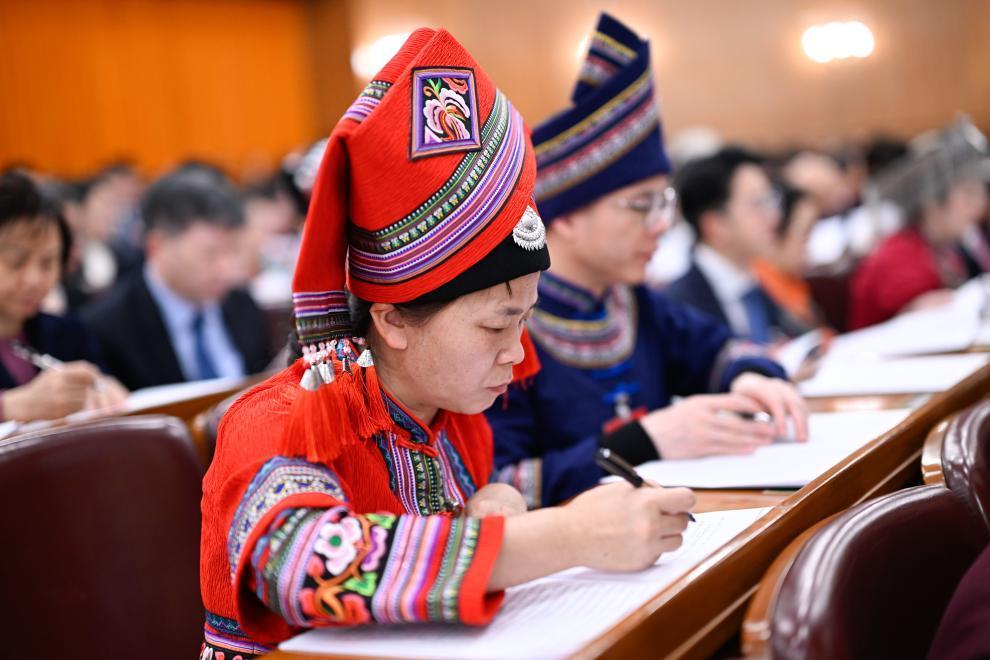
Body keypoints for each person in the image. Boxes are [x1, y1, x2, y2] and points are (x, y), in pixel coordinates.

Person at [199, 28, 697, 658]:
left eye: (525, 321)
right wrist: (564, 537)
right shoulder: (275, 421)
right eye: (494, 325)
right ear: (392, 321)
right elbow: (310, 568)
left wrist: (499, 500)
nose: (518, 354)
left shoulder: (453, 414)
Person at [484, 14, 806, 509]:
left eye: (664, 203)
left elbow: (719, 350)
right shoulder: (505, 328)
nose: (659, 224)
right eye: (641, 205)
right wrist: (643, 441)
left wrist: (750, 376)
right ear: (565, 218)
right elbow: (498, 485)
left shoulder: (633, 301)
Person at [82, 166, 272, 390]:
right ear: (157, 246)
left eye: (233, 250)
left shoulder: (241, 304)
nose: (228, 269)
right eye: (210, 254)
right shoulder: (108, 329)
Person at [0, 171, 126, 421]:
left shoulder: (68, 333)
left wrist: (105, 391)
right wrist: (9, 408)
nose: (34, 279)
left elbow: (105, 389)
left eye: (48, 263)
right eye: (16, 262)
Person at [849, 119, 990, 329]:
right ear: (932, 201)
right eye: (969, 194)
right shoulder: (898, 258)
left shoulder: (942, 249)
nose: (980, 205)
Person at [666, 147, 808, 342]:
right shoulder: (680, 307)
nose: (775, 217)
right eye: (759, 204)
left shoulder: (757, 280)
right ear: (716, 225)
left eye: (772, 200)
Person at [751, 183, 823, 330]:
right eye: (806, 234)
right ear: (774, 230)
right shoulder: (762, 292)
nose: (809, 248)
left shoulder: (794, 285)